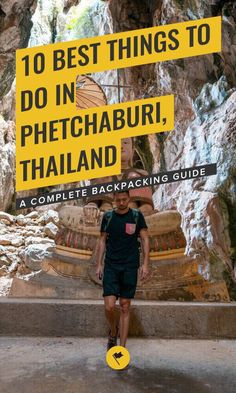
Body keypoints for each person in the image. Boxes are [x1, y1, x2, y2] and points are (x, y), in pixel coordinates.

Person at [96, 190, 150, 350]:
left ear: (129, 199)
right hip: (112, 265)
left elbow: (145, 238)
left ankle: (122, 348)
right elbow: (102, 241)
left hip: (130, 266)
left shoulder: (136, 216)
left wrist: (145, 263)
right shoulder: (108, 217)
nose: (121, 202)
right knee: (110, 307)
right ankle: (113, 331)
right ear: (114, 200)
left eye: (124, 199)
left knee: (125, 305)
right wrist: (99, 263)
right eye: (118, 200)